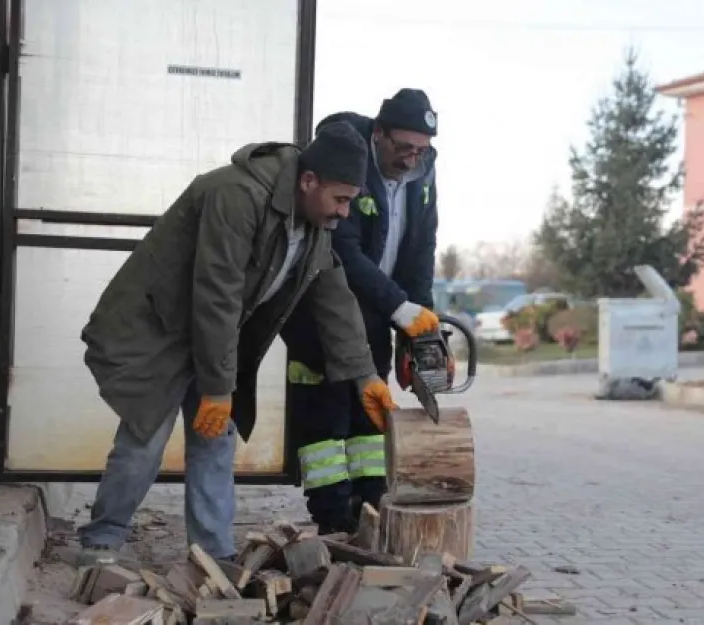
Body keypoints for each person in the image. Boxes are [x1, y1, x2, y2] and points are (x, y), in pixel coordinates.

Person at [75, 122, 398, 566]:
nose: (345, 211)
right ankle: (101, 540)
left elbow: (333, 296)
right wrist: (216, 388)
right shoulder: (237, 195)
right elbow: (217, 292)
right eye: (340, 199)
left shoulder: (313, 223)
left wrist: (365, 376)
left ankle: (212, 555)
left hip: (214, 335)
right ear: (308, 181)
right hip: (160, 330)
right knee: (144, 438)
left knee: (215, 442)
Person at [282, 88, 441, 533]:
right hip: (322, 320)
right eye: (403, 147)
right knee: (325, 432)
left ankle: (369, 517)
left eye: (422, 150)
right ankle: (333, 525)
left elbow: (420, 251)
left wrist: (420, 325)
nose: (411, 159)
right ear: (379, 132)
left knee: (369, 423)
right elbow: (340, 251)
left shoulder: (421, 177)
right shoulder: (349, 163)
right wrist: (400, 306)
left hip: (378, 318)